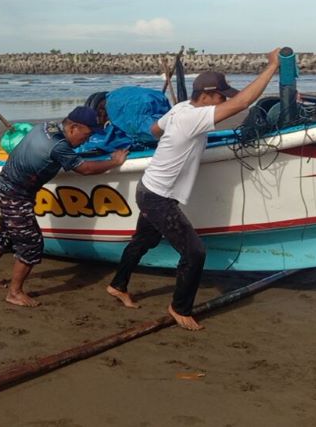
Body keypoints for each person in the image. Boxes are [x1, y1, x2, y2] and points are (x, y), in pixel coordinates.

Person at [106, 47, 282, 331]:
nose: (224, 99)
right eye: (221, 95)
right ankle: (180, 308)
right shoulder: (193, 117)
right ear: (207, 96)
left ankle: (117, 286)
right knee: (195, 252)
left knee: (144, 241)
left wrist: (177, 144)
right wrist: (272, 66)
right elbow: (242, 104)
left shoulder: (181, 109)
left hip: (150, 187)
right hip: (158, 196)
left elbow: (154, 130)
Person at [0, 107, 128, 307]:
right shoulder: (58, 146)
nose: (87, 140)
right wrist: (113, 161)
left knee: (7, 233)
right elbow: (85, 169)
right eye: (87, 134)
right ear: (73, 127)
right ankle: (14, 292)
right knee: (32, 243)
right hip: (14, 195)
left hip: (5, 187)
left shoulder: (46, 126)